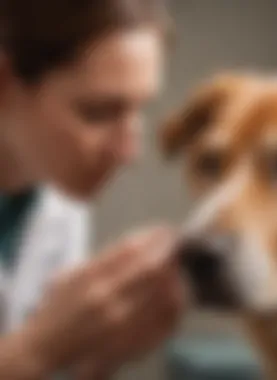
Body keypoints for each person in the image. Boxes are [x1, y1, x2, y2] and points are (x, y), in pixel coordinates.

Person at [0, 0, 185, 379]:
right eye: (98, 113)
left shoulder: (60, 199)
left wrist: (102, 357)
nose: (129, 153)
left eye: (139, 110)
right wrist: (36, 349)